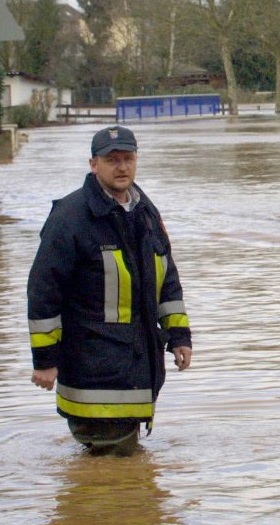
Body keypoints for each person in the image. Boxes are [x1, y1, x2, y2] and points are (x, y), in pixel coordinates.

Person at [27, 125, 192, 452]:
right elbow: (43, 292)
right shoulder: (70, 217)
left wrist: (179, 338)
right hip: (93, 376)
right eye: (112, 160)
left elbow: (166, 279)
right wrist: (45, 360)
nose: (122, 167)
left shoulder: (145, 211)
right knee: (118, 477)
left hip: (135, 371)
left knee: (119, 482)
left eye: (128, 159)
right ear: (94, 165)